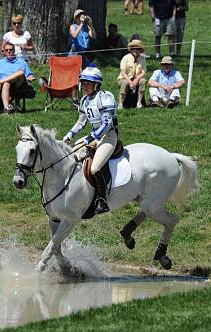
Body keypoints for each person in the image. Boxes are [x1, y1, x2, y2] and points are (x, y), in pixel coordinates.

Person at [62, 66, 118, 215]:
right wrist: (69, 134)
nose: (84, 86)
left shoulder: (106, 97)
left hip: (109, 136)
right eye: (83, 83)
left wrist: (91, 137)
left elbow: (107, 124)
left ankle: (101, 199)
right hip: (95, 136)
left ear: (96, 85)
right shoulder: (85, 100)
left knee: (94, 168)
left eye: (87, 84)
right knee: (72, 154)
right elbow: (81, 122)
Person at [0, 43, 35, 113]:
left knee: (20, 73)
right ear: (4, 52)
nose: (9, 51)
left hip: (18, 85)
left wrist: (30, 77)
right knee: (6, 83)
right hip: (2, 86)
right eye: (6, 50)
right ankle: (6, 109)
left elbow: (29, 75)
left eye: (11, 49)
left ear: (14, 51)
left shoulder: (22, 62)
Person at [117, 39, 147, 109]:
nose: (135, 50)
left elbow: (143, 72)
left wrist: (136, 80)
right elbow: (123, 72)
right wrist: (130, 82)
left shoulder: (143, 58)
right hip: (124, 78)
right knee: (125, 83)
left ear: (140, 50)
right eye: (134, 49)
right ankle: (121, 103)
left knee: (143, 81)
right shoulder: (125, 58)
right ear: (131, 50)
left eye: (138, 49)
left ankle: (139, 103)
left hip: (136, 78)